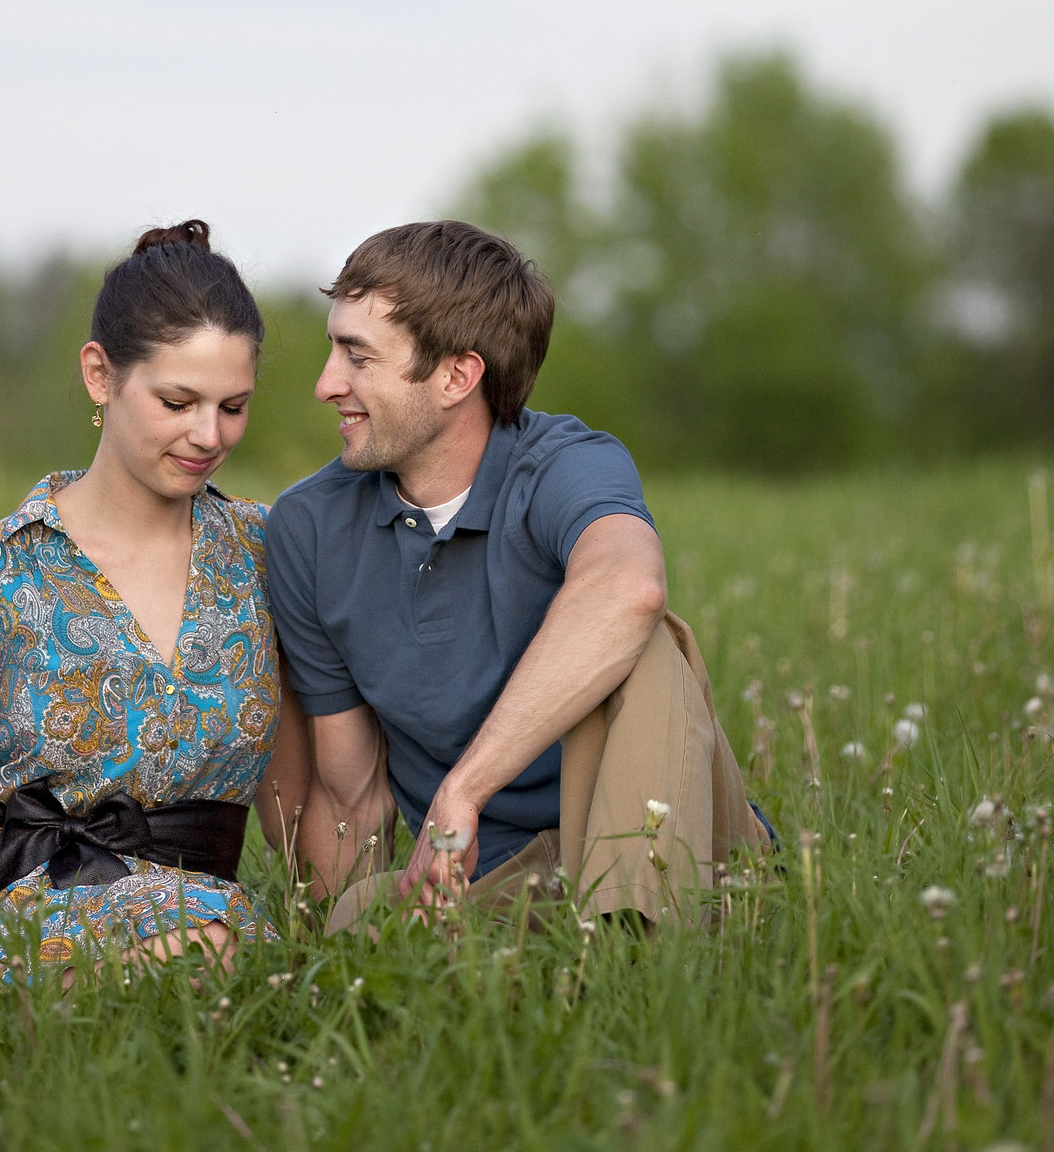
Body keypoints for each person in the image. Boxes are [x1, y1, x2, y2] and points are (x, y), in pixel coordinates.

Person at [263, 221, 768, 929]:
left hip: (668, 842)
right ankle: (581, 956)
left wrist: (461, 791)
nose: (326, 384)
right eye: (332, 349)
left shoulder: (566, 464)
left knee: (646, 640)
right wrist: (318, 959)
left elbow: (631, 589)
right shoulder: (307, 529)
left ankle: (645, 954)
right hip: (495, 875)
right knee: (358, 923)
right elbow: (350, 798)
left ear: (456, 377)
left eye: (357, 356)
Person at [0, 221, 308, 978]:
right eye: (177, 401)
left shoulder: (270, 554)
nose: (209, 434)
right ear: (101, 375)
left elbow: (297, 826)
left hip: (210, 926)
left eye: (233, 406)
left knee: (207, 949)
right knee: (194, 954)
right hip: (17, 904)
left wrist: (351, 938)